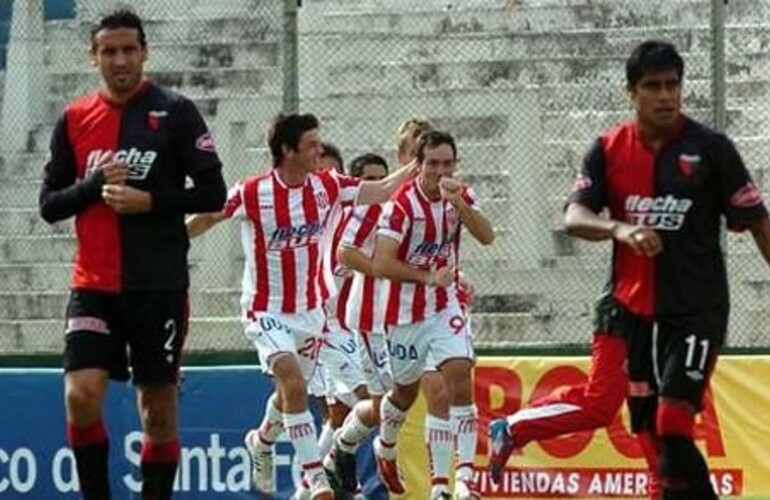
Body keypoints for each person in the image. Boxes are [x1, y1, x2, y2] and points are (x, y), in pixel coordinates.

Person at [489, 40, 770, 499]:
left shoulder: (712, 150)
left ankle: (515, 429)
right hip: (631, 311)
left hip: (695, 310)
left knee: (671, 420)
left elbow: (757, 221)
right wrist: (620, 228)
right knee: (650, 434)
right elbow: (574, 217)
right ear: (631, 92)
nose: (665, 95)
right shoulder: (607, 149)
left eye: (673, 85)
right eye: (653, 86)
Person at [38, 9, 227, 500]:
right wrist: (94, 185)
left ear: (144, 51)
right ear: (93, 56)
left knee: (158, 413)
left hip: (158, 285)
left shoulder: (176, 111)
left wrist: (152, 202)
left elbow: (213, 193)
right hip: (94, 286)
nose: (120, 60)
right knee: (80, 397)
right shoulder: (75, 119)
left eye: (128, 50)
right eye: (109, 51)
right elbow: (49, 206)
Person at [186, 112, 418, 499]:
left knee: (287, 392)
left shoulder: (327, 186)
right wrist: (167, 244)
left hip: (311, 312)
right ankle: (315, 478)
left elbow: (380, 191)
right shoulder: (254, 191)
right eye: (311, 145)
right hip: (266, 310)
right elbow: (209, 216)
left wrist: (417, 166)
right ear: (287, 150)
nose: (319, 150)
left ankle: (261, 441)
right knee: (293, 380)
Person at [371, 130, 494, 499]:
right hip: (404, 313)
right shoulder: (401, 206)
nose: (441, 171)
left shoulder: (459, 194)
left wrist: (462, 207)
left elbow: (487, 236)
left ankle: (464, 482)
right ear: (419, 165)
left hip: (445, 305)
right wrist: (427, 276)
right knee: (404, 394)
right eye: (433, 164)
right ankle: (385, 446)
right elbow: (382, 262)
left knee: (459, 376)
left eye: (447, 163)